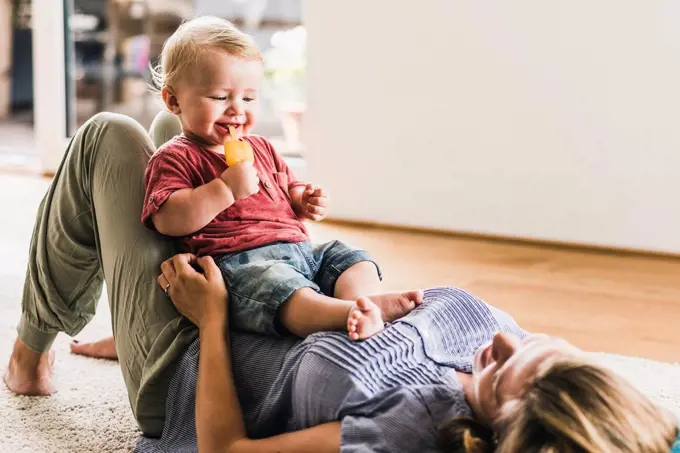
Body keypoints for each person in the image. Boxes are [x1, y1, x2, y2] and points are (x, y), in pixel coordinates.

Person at [132, 255, 679, 453]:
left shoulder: (403, 431)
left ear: (500, 432)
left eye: (506, 372)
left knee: (109, 141)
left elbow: (227, 450)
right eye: (539, 349)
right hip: (276, 284)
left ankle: (41, 346)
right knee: (196, 125)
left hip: (191, 349)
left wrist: (211, 316)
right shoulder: (552, 385)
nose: (507, 341)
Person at [140, 15, 422, 341]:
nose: (237, 110)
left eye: (248, 98)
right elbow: (168, 218)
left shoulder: (260, 147)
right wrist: (225, 189)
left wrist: (304, 199)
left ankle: (363, 302)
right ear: (173, 100)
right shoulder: (176, 156)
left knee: (350, 257)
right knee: (282, 292)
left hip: (300, 251)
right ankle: (343, 315)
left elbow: (287, 190)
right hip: (239, 266)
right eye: (220, 97)